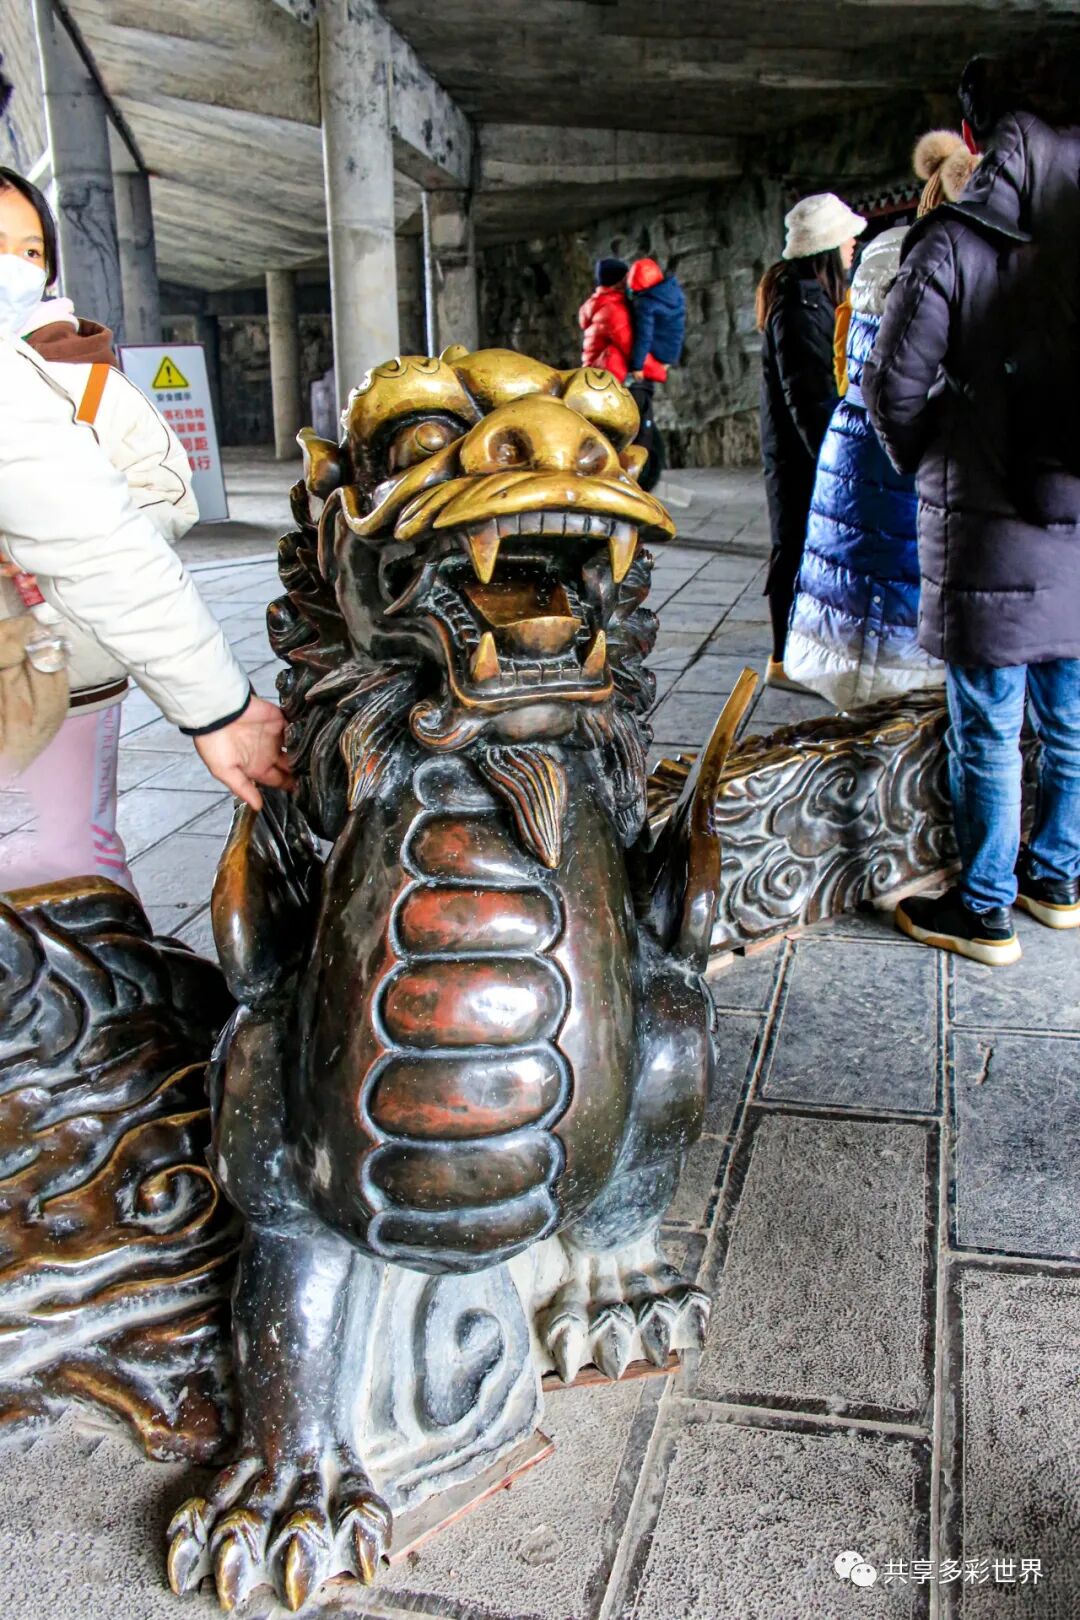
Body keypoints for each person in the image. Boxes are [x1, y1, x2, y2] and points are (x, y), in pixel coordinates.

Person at [0, 180, 291, 894]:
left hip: (59, 657)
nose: (13, 266)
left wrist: (40, 547)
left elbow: (126, 520)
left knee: (71, 845)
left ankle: (109, 982)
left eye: (29, 248)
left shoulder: (90, 382)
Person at [864, 51, 1080, 964]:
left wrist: (940, 451)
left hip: (989, 524)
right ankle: (1059, 878)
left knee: (987, 719)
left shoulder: (955, 242)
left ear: (986, 142)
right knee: (1071, 712)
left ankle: (985, 906)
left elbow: (891, 386)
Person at [784, 134, 978, 708]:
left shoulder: (884, 265)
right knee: (888, 675)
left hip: (855, 460)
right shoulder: (937, 266)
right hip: (899, 478)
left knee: (861, 666)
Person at [757, 194, 866, 692]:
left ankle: (794, 655)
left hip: (796, 449)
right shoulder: (801, 301)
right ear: (825, 245)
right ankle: (784, 660)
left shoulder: (806, 295)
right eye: (846, 236)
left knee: (800, 547)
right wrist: (833, 455)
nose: (853, 244)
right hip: (801, 453)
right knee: (795, 547)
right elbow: (807, 392)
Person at [624, 258, 686, 493]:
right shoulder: (672, 292)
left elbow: (645, 336)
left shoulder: (646, 304)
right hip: (669, 352)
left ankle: (641, 472)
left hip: (654, 354)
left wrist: (637, 364)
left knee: (640, 415)